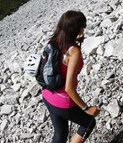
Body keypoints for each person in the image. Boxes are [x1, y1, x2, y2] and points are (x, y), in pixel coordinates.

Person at [42, 10, 101, 143]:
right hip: (63, 101)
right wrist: (86, 108)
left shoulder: (53, 42)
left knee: (60, 134)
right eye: (82, 27)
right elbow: (69, 88)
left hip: (47, 95)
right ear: (77, 29)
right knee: (89, 122)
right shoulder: (74, 51)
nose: (83, 30)